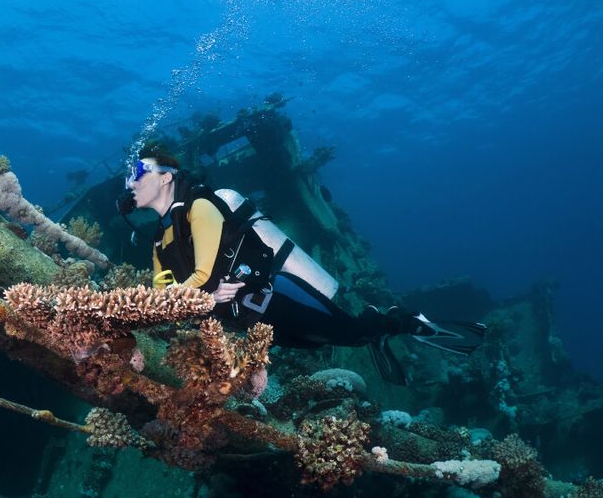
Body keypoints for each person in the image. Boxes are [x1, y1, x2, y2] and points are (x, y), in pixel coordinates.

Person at [118, 149, 486, 385]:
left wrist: (193, 297)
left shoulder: (200, 207)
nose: (131, 180)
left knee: (351, 335)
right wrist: (189, 299)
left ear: (166, 176)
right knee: (325, 342)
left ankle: (403, 321)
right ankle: (376, 327)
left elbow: (203, 275)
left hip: (277, 295)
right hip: (251, 321)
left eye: (139, 171)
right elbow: (160, 291)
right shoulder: (158, 240)